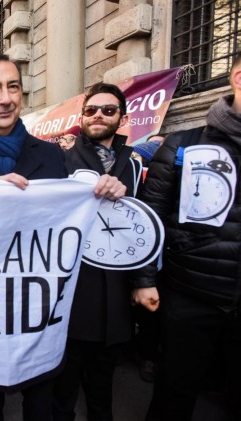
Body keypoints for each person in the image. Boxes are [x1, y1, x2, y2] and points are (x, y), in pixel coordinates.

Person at [0, 53, 126, 421]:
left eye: (13, 87)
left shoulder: (53, 156)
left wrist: (106, 192)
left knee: (40, 403)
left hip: (37, 309)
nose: (5, 98)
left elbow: (73, 214)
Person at [134, 55, 241, 421]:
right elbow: (151, 218)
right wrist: (144, 281)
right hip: (191, 294)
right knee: (175, 393)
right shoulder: (182, 145)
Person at [51, 82, 145, 421]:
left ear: (122, 118)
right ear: (82, 116)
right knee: (64, 383)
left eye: (108, 110)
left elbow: (142, 229)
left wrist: (142, 281)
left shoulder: (132, 164)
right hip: (73, 287)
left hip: (115, 288)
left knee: (103, 382)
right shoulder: (60, 161)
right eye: (91, 110)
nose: (98, 115)